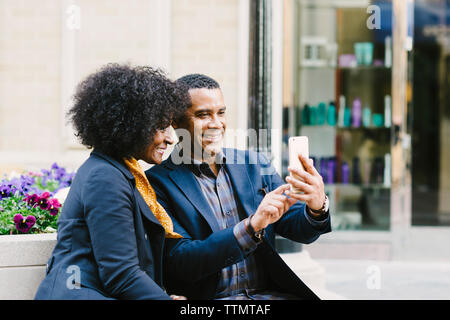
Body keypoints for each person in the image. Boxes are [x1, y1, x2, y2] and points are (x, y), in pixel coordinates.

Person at [146, 74, 331, 300]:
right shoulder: (157, 183)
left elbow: (299, 230)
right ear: (176, 121)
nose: (216, 123)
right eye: (203, 115)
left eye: (221, 113)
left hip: (269, 296)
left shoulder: (254, 165)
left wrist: (316, 207)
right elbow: (181, 261)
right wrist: (252, 227)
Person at [34, 64, 188, 300]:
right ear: (132, 125)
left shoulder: (118, 170)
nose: (170, 138)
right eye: (160, 126)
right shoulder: (105, 177)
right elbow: (121, 275)